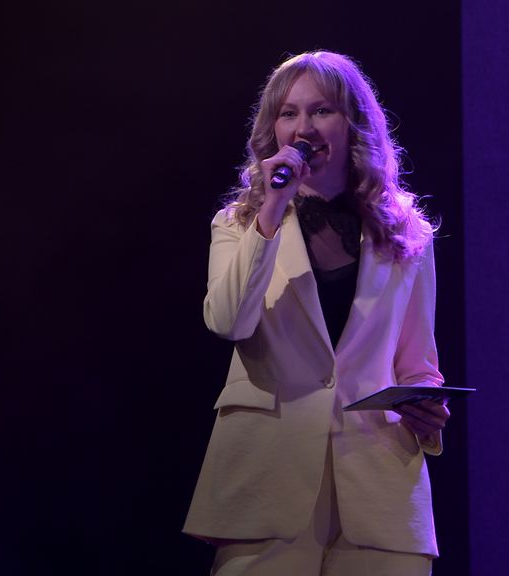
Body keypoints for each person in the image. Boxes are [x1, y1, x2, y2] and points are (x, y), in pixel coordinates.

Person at [183, 50, 451, 576]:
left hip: (379, 486)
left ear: (354, 125)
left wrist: (428, 409)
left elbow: (418, 365)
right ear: (273, 130)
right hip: (268, 480)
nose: (303, 127)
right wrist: (271, 210)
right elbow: (228, 321)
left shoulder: (406, 236)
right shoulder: (238, 224)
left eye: (321, 110)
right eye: (288, 113)